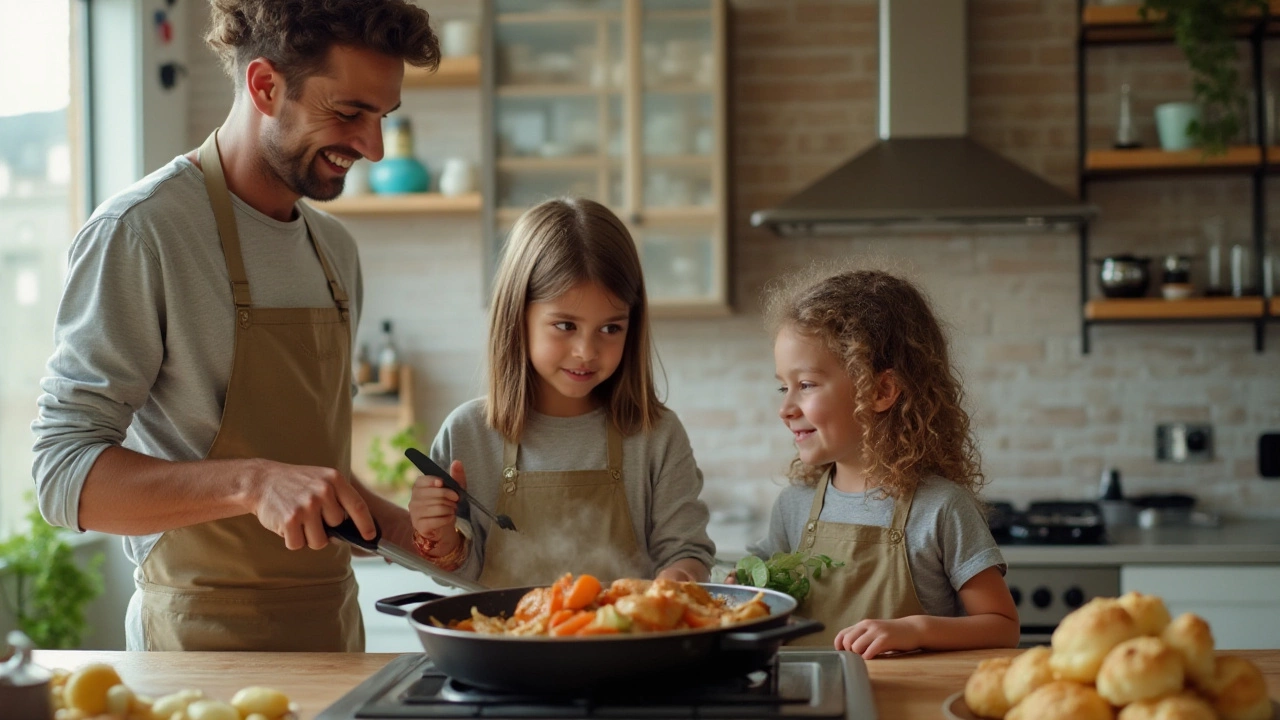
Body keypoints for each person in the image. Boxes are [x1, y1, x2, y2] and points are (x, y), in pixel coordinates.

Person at [30, 0, 440, 651]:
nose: (374, 146)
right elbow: (62, 473)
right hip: (196, 650)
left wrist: (418, 539)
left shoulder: (334, 253)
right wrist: (252, 483)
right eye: (350, 112)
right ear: (264, 85)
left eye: (383, 117)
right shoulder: (143, 233)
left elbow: (313, 474)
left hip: (331, 635)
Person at [407, 198, 715, 586]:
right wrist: (436, 534)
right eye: (566, 325)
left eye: (610, 328)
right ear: (518, 316)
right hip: (502, 646)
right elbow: (460, 573)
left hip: (629, 645)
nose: (586, 351)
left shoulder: (657, 435)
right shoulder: (468, 433)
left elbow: (687, 552)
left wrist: (679, 579)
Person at [745, 267, 1019, 656]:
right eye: (783, 386)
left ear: (881, 389)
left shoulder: (941, 508)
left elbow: (1003, 627)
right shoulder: (794, 505)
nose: (785, 408)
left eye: (805, 385)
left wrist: (917, 630)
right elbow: (762, 595)